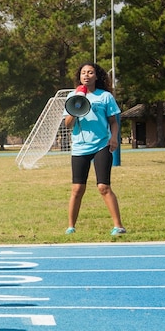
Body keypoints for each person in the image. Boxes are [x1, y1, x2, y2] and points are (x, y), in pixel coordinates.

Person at [64, 62, 126, 236]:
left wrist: (114, 138)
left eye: (90, 72)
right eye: (83, 73)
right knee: (77, 189)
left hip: (101, 145)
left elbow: (114, 122)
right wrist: (76, 107)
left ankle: (118, 226)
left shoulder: (105, 97)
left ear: (96, 76)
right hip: (79, 148)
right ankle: (71, 227)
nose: (86, 75)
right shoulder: (73, 95)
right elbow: (68, 124)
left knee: (103, 187)